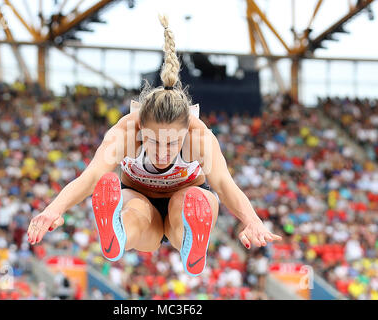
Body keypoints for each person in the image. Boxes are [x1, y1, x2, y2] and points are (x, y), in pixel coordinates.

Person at [27, 14, 282, 276]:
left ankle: (190, 241)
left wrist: (252, 222)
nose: (162, 152)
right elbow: (91, 176)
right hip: (138, 196)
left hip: (186, 198)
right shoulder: (126, 132)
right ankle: (118, 235)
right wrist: (52, 211)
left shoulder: (200, 137)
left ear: (186, 131)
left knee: (186, 204)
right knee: (136, 213)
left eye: (172, 143)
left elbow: (224, 185)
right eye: (152, 141)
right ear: (140, 128)